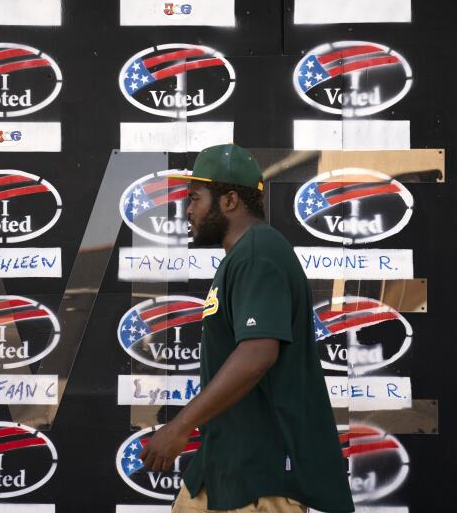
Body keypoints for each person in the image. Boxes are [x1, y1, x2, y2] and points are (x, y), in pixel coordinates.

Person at [139, 145, 354, 513]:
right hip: (223, 465)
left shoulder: (259, 252)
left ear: (230, 200)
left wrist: (179, 427)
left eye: (195, 198)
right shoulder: (241, 257)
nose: (187, 210)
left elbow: (257, 354)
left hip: (261, 479)